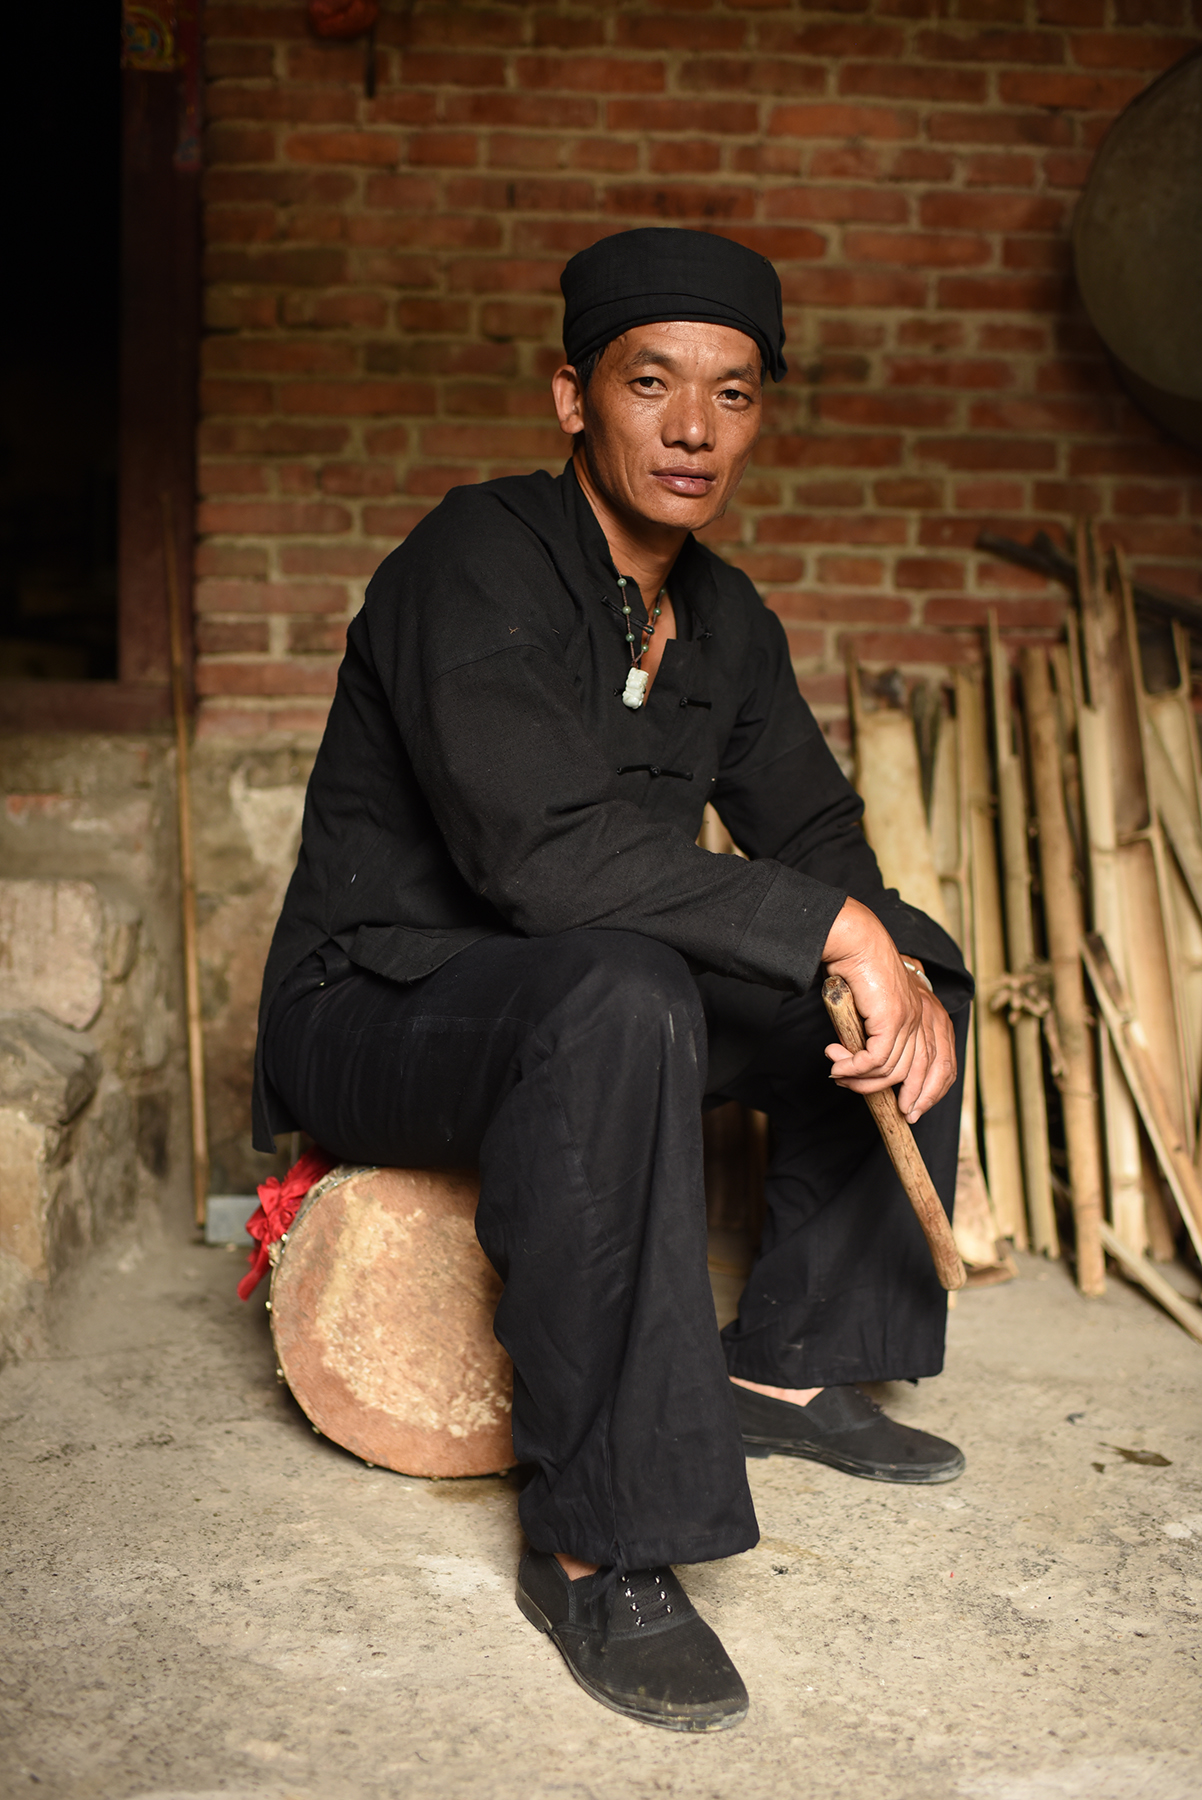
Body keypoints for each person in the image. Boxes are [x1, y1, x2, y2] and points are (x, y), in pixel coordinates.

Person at [253, 227, 972, 1734]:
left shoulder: (727, 618)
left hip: (590, 1001)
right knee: (632, 986)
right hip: (385, 1006)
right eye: (652, 384)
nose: (693, 428)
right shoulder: (474, 556)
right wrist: (826, 931)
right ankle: (600, 1541)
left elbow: (818, 840)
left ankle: (792, 1367)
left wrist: (886, 955)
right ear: (574, 395)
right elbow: (542, 865)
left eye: (732, 391)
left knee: (911, 951)